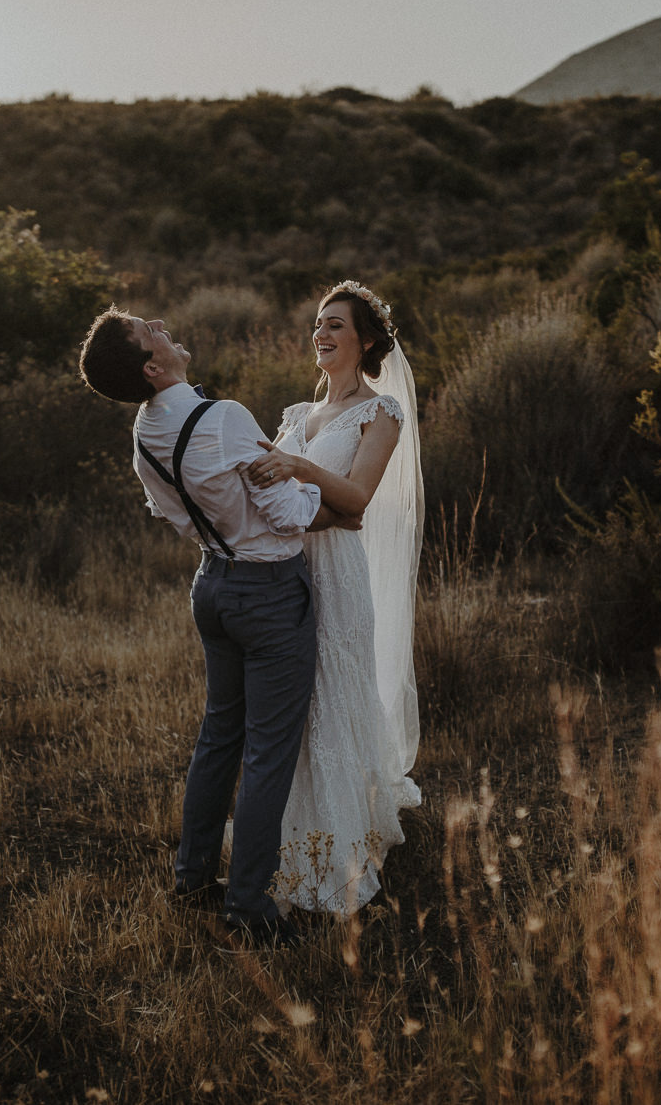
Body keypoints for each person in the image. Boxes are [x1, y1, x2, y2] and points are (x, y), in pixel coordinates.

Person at [78, 307, 351, 948]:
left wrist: (228, 518)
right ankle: (250, 906)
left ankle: (193, 876)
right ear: (152, 364)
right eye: (151, 329)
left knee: (219, 737)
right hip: (268, 592)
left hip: (212, 586)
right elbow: (286, 515)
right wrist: (324, 499)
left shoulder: (145, 430)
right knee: (267, 752)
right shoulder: (223, 418)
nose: (163, 324)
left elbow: (166, 512)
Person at [242, 281, 424, 915]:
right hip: (285, 571)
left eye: (336, 325)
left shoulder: (381, 414)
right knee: (291, 710)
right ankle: (287, 842)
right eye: (317, 324)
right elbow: (268, 488)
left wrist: (301, 473)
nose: (321, 334)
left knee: (334, 699)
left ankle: (339, 849)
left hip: (338, 577)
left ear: (365, 339)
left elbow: (358, 502)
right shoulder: (296, 417)